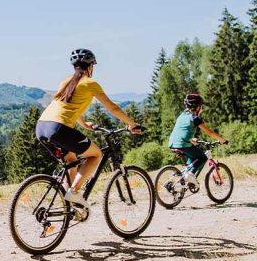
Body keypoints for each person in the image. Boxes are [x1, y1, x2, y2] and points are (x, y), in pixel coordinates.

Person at [36, 48, 142, 207]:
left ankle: (69, 206)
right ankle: (74, 192)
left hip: (41, 126)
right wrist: (131, 124)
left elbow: (66, 106)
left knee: (71, 162)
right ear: (90, 66)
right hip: (58, 128)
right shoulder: (90, 83)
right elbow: (113, 108)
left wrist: (84, 125)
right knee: (96, 155)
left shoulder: (65, 81)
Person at [168, 93, 227, 189]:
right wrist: (222, 140)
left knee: (192, 159)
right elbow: (210, 132)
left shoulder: (182, 115)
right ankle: (190, 175)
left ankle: (185, 176)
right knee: (203, 158)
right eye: (201, 106)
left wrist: (191, 139)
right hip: (183, 144)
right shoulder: (195, 118)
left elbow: (182, 130)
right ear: (198, 106)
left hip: (173, 142)